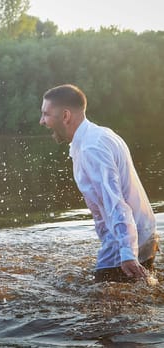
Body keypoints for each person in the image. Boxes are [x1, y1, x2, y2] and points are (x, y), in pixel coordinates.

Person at [39, 84, 159, 282]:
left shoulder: (91, 148)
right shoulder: (100, 135)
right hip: (141, 233)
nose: (42, 121)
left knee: (100, 308)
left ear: (66, 116)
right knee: (132, 301)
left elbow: (115, 203)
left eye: (46, 114)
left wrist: (127, 253)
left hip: (126, 241)